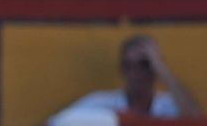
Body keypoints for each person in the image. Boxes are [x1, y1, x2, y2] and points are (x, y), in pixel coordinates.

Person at [60, 35, 201, 119]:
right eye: (128, 65)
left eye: (144, 64)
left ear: (155, 70)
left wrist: (161, 67)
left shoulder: (169, 106)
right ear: (122, 70)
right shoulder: (100, 105)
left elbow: (195, 121)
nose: (135, 72)